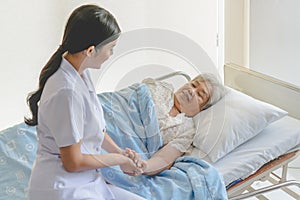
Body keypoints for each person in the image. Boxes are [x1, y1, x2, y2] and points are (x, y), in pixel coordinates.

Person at [25, 4, 145, 200]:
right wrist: (118, 159)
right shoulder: (66, 91)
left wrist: (121, 153)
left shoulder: (80, 71)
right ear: (90, 51)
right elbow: (72, 162)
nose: (111, 55)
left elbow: (92, 128)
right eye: (111, 48)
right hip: (62, 188)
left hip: (86, 181)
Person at [141, 73, 227, 175]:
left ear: (202, 108)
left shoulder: (187, 130)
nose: (191, 91)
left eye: (200, 95)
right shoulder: (160, 88)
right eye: (193, 85)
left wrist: (142, 166)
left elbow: (163, 159)